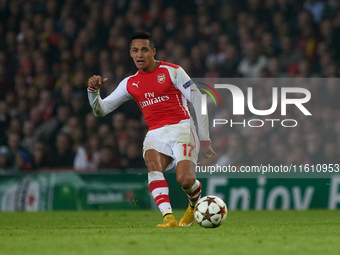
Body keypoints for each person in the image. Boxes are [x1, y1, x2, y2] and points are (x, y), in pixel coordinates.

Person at [87, 32, 215, 227]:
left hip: (182, 128)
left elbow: (198, 100)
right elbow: (101, 110)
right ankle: (168, 217)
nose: (140, 54)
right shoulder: (129, 83)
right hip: (155, 132)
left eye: (144, 50)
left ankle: (193, 203)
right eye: (135, 50)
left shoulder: (173, 71)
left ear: (153, 51)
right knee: (152, 164)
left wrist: (205, 139)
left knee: (185, 180)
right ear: (130, 53)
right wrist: (93, 92)